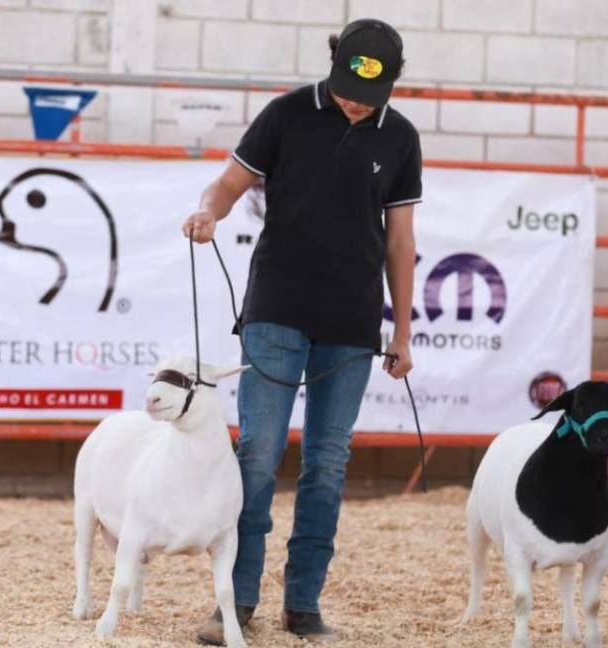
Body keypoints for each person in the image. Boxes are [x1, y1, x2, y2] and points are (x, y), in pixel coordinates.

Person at [181, 18, 422, 644]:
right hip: (275, 310)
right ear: (333, 60)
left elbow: (401, 240)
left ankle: (303, 602)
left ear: (393, 84)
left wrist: (402, 330)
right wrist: (207, 212)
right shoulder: (285, 114)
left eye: (369, 94)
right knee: (258, 455)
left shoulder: (400, 138)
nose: (355, 101)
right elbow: (228, 184)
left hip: (352, 323)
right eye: (347, 86)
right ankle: (235, 602)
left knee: (327, 462)